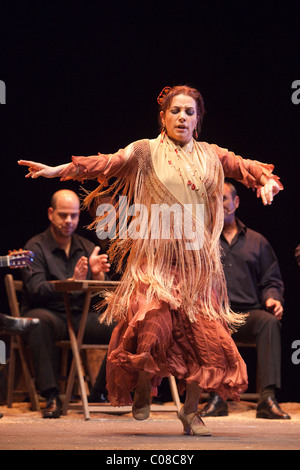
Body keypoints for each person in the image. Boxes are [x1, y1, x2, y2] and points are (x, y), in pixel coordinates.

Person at [18, 85, 283, 435]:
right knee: (150, 324)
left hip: (198, 268)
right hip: (155, 265)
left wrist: (266, 181)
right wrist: (57, 171)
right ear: (163, 116)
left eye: (189, 112)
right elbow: (107, 163)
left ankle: (191, 411)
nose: (182, 118)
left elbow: (247, 167)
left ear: (198, 119)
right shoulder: (146, 151)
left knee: (201, 338)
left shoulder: (210, 155)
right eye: (175, 111)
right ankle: (143, 385)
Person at [20, 189, 114, 419]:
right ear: (51, 214)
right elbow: (35, 290)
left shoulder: (86, 247)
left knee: (122, 325)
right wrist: (70, 283)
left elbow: (105, 297)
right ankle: (51, 396)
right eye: (63, 215)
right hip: (51, 314)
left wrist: (98, 276)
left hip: (79, 317)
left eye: (73, 216)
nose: (69, 221)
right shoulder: (35, 247)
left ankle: (99, 392)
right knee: (38, 322)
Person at [200, 181, 290, 419]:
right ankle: (216, 397)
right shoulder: (203, 242)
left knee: (269, 322)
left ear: (235, 202)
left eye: (224, 199)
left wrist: (273, 299)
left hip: (248, 314)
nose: (219, 205)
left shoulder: (257, 242)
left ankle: (267, 398)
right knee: (209, 323)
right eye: (213, 201)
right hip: (217, 315)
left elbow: (272, 280)